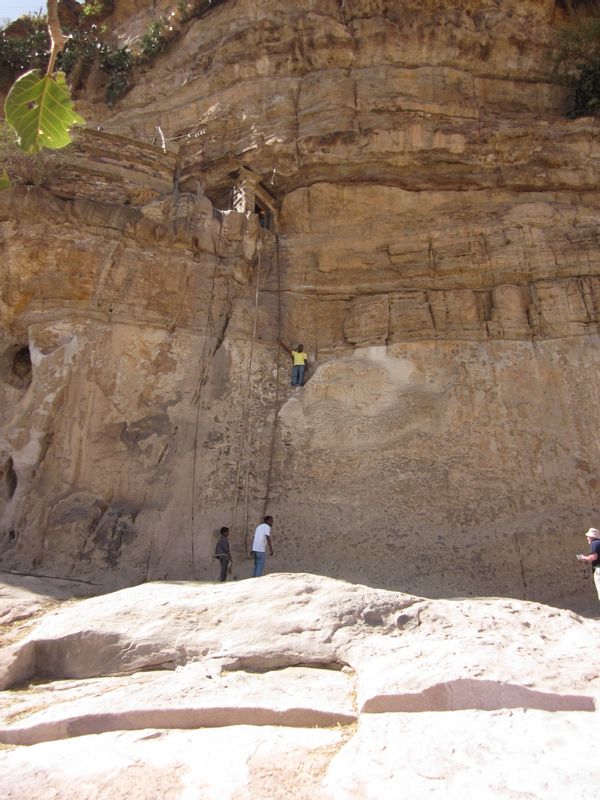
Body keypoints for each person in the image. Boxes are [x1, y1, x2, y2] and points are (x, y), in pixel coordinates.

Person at [576, 527, 600, 602]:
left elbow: (594, 556)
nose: (587, 538)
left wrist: (584, 558)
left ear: (592, 537)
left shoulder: (595, 543)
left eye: (588, 536)